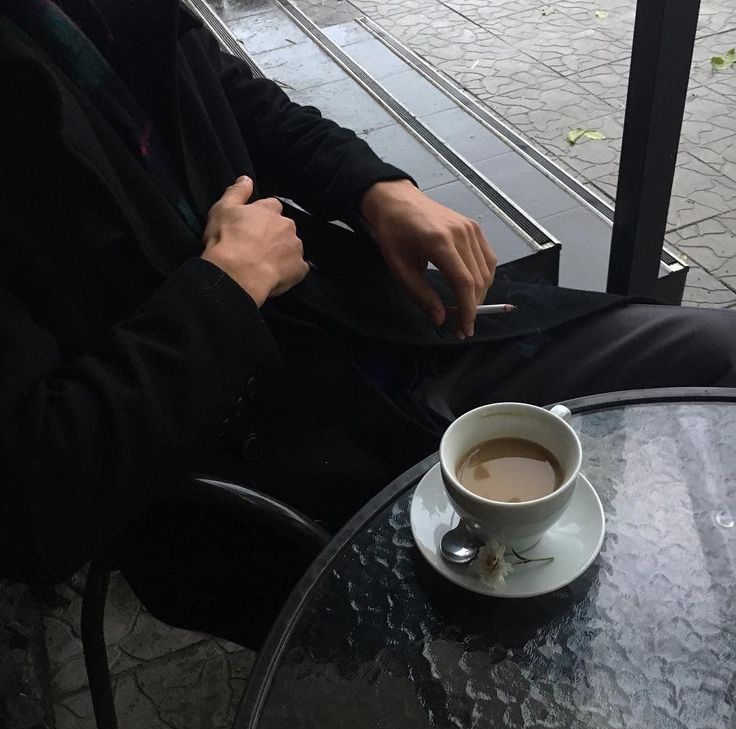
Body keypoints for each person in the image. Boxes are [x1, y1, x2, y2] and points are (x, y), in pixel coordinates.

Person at [1, 0, 734, 646]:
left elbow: (232, 99)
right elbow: (35, 499)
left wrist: (376, 188)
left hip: (378, 329)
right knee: (556, 630)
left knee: (715, 354)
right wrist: (226, 290)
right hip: (251, 474)